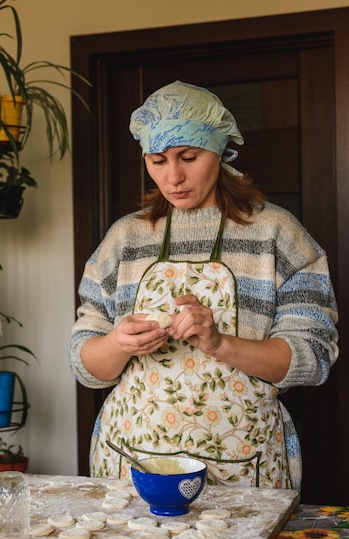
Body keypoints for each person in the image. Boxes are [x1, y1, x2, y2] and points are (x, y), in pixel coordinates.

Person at [68, 80, 338, 490]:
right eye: (157, 160)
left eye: (188, 157)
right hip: (131, 459)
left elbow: (313, 356)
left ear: (220, 150)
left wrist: (219, 343)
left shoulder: (277, 234)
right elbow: (85, 364)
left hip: (244, 464)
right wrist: (118, 344)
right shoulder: (124, 239)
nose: (173, 176)